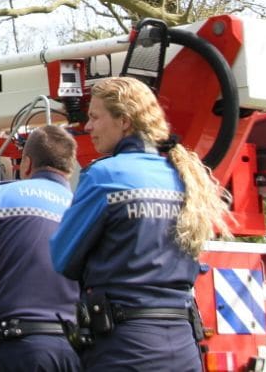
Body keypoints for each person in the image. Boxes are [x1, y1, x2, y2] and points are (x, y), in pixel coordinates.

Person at [50, 77, 229, 372]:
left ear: (124, 120)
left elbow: (62, 257)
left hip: (125, 348)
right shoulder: (184, 176)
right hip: (183, 344)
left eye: (95, 117)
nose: (88, 127)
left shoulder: (104, 175)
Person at [0, 124, 81, 372]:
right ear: (69, 170)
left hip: (16, 350)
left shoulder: (0, 196)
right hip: (73, 352)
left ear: (27, 163)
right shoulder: (81, 209)